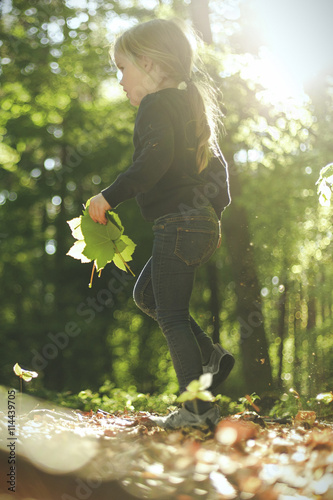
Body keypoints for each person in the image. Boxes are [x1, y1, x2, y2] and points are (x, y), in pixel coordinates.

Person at [88, 18, 234, 429]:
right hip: (198, 223)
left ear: (150, 64)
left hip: (178, 224)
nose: (119, 80)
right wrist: (212, 218)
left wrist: (108, 196)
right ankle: (209, 355)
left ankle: (198, 412)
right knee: (147, 294)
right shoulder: (190, 104)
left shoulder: (157, 104)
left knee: (170, 314)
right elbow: (219, 171)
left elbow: (152, 161)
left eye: (121, 67)